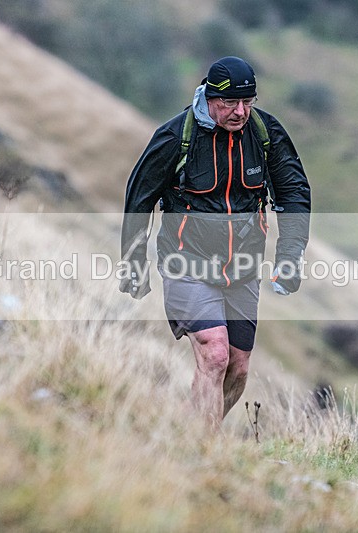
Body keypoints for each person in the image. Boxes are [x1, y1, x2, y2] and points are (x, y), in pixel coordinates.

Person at [120, 56, 311, 430]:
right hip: (186, 264)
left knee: (238, 367)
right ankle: (201, 453)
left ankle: (194, 434)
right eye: (230, 103)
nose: (240, 111)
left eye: (248, 102)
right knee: (215, 354)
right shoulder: (177, 137)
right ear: (210, 97)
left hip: (242, 271)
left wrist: (290, 256)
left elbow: (294, 191)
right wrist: (133, 262)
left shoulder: (264, 133)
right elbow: (139, 198)